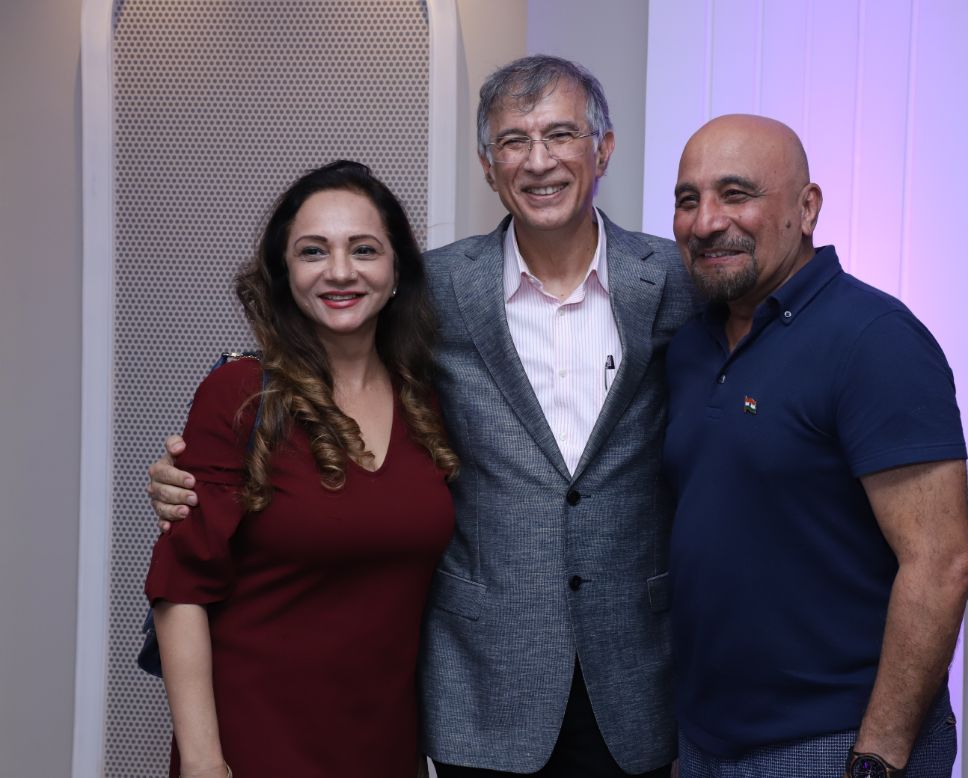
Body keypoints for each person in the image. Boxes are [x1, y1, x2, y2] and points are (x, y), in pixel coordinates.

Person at [147, 57, 697, 777]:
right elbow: (308, 352)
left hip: (630, 679)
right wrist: (190, 475)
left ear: (604, 148)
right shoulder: (440, 289)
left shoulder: (680, 281)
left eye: (561, 135)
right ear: (487, 165)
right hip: (477, 694)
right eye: (513, 141)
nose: (538, 161)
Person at [664, 114, 968, 778]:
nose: (706, 221)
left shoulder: (874, 338)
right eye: (688, 199)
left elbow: (942, 560)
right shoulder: (690, 344)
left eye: (735, 194)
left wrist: (877, 756)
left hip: (833, 742)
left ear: (806, 208)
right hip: (705, 740)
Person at [144, 160, 457, 778]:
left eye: (364, 249)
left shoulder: (427, 402)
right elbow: (181, 590)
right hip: (257, 744)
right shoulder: (239, 396)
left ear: (396, 272)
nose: (340, 271)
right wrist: (204, 764)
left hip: (385, 745)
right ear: (285, 273)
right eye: (313, 251)